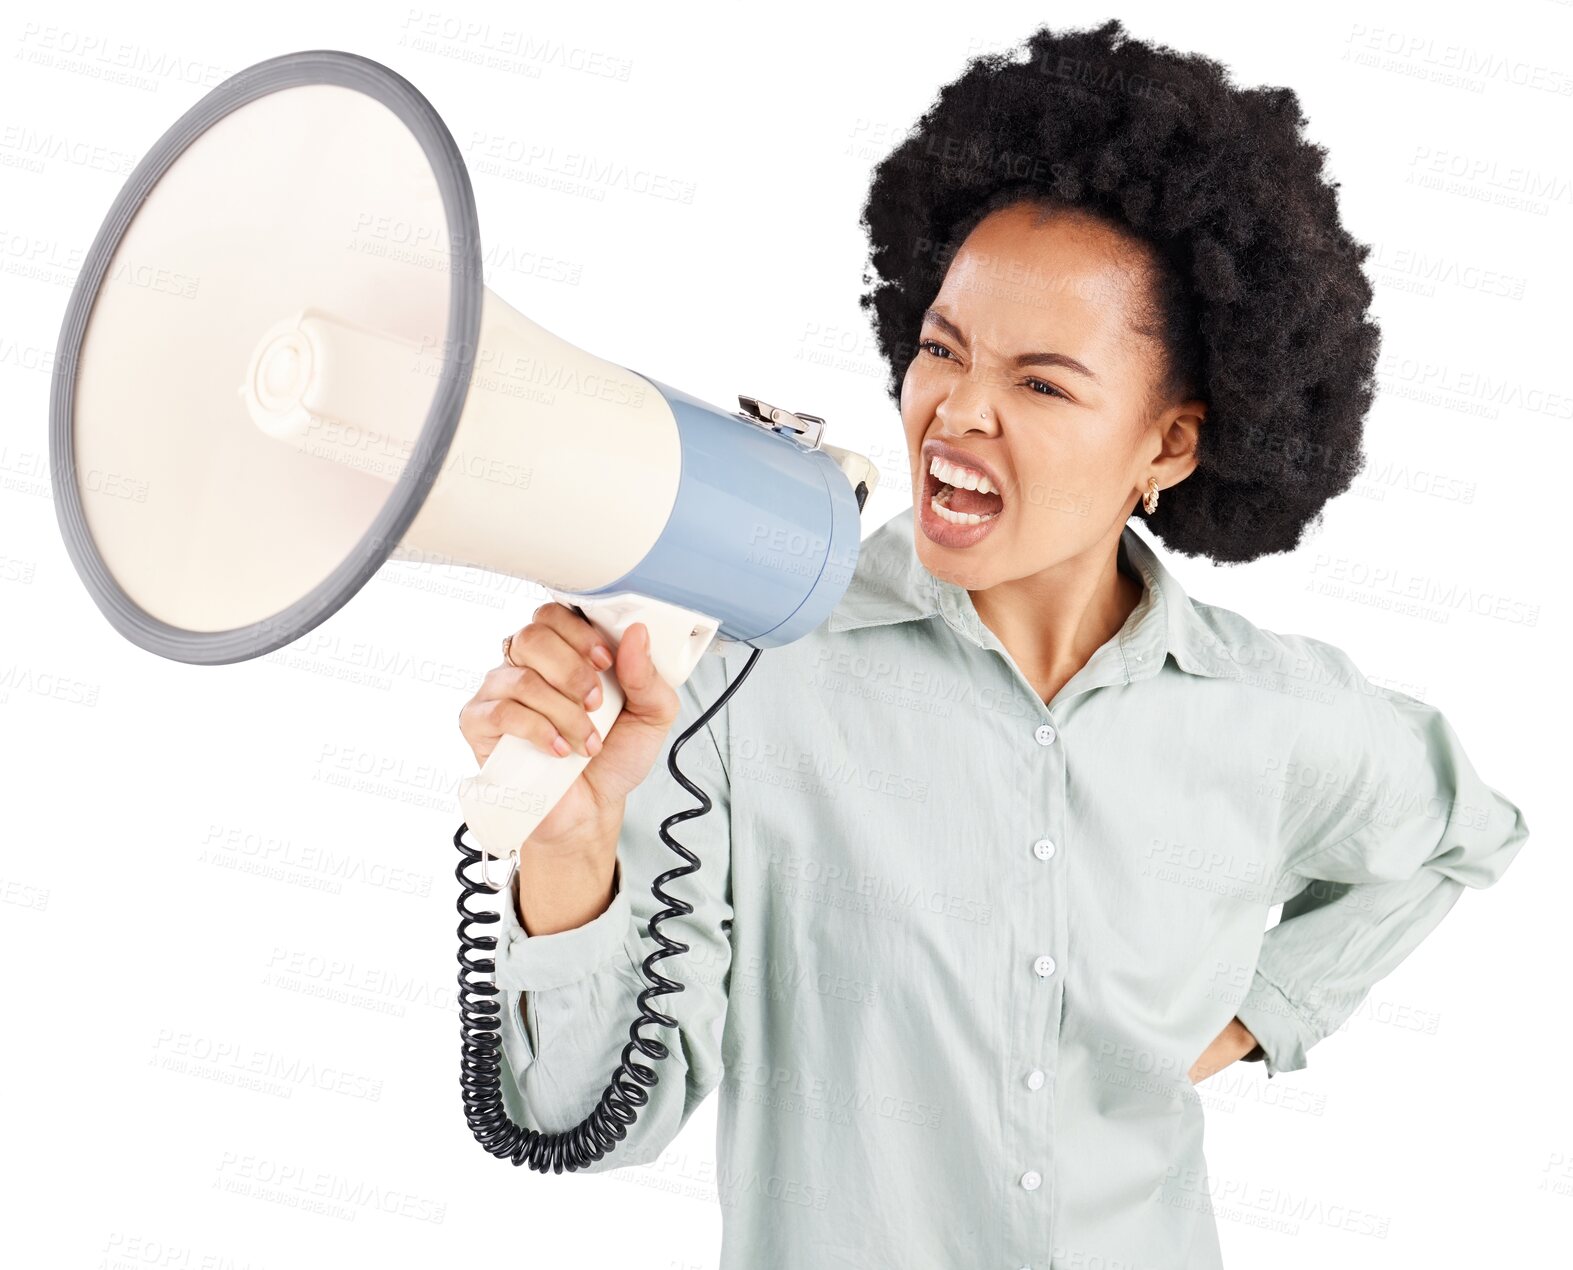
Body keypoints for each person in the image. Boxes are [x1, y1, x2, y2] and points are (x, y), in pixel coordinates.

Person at [457, 19, 1530, 1269]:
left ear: (1170, 446)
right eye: (941, 349)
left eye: (1043, 383)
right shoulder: (747, 676)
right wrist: (573, 849)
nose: (957, 411)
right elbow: (574, 1118)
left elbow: (1465, 832)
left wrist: (1264, 1009)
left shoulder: (1273, 716)